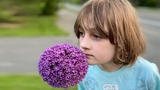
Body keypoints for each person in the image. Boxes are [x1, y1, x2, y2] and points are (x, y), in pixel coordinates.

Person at [73, 0, 160, 90]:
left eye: (96, 36)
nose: (83, 44)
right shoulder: (83, 72)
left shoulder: (147, 73)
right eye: (81, 33)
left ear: (122, 39)